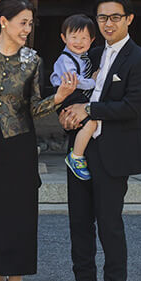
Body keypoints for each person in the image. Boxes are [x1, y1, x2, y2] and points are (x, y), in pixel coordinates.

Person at [0, 0, 70, 281]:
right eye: (22, 22)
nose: (27, 28)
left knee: (19, 212)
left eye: (29, 23)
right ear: (3, 22)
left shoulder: (33, 60)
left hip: (19, 145)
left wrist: (60, 97)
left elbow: (35, 108)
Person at [58, 0, 141, 281]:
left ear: (129, 19)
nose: (108, 23)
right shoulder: (92, 53)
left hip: (112, 150)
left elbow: (131, 106)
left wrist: (89, 109)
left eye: (115, 17)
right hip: (81, 148)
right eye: (102, 18)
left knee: (109, 222)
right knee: (78, 221)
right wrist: (68, 112)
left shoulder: (140, 59)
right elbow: (74, 88)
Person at [50, 14, 100, 181]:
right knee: (90, 122)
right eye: (74, 37)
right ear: (64, 38)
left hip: (75, 95)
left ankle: (81, 153)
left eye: (84, 38)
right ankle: (76, 156)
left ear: (92, 40)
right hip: (68, 95)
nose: (79, 42)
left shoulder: (83, 58)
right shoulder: (66, 59)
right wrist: (93, 82)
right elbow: (75, 82)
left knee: (87, 123)